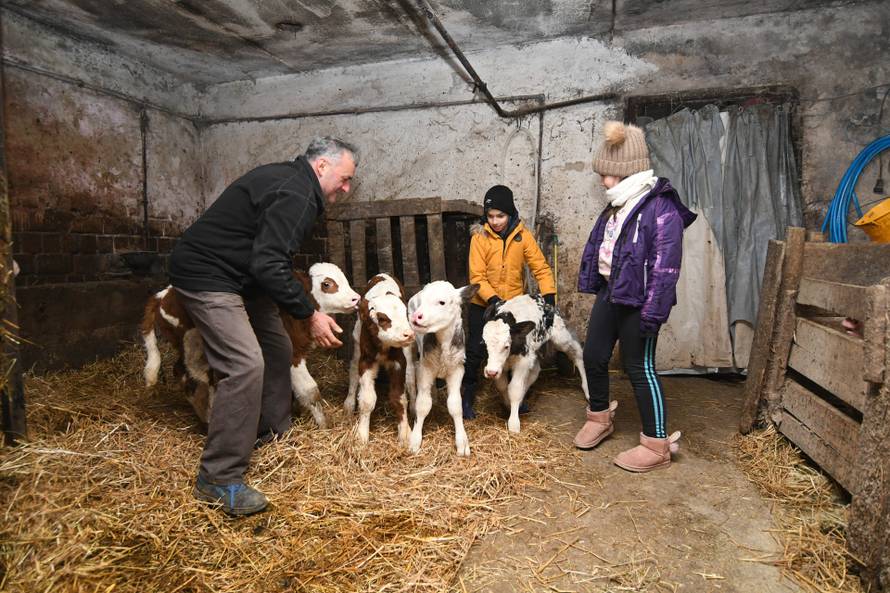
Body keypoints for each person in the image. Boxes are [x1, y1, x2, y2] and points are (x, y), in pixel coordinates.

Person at [169, 137, 358, 515]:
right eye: (345, 178)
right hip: (208, 275)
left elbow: (267, 260)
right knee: (244, 364)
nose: (347, 188)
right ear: (322, 166)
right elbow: (270, 264)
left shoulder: (295, 185)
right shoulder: (297, 193)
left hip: (244, 277)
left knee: (278, 347)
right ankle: (218, 477)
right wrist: (310, 314)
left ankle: (270, 433)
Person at [574, 121, 696, 472]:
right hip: (611, 292)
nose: (602, 181)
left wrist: (652, 313)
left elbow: (665, 269)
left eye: (607, 174)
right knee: (593, 355)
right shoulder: (617, 205)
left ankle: (656, 444)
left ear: (627, 170)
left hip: (640, 301)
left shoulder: (661, 209)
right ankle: (599, 417)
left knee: (639, 367)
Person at [461, 184, 557, 419]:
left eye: (500, 216)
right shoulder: (480, 237)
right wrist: (493, 299)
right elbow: (477, 276)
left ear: (510, 213)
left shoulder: (523, 237)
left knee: (515, 351)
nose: (495, 221)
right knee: (475, 350)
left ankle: (515, 399)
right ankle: (467, 397)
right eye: (490, 216)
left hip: (513, 307)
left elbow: (541, 268)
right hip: (484, 305)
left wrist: (549, 295)